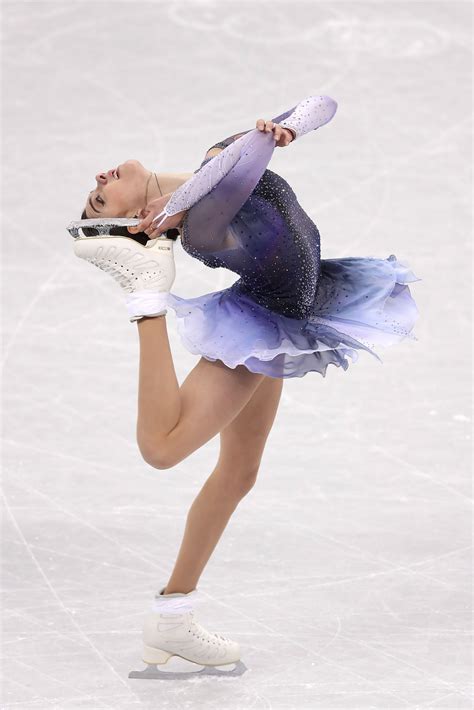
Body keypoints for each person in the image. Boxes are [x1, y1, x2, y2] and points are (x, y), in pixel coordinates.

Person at [72, 95, 421, 676]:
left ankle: (172, 619)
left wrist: (284, 129)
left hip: (291, 313)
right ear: (135, 223)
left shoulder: (217, 160)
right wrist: (259, 141)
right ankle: (147, 299)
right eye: (99, 198)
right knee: (163, 448)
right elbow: (227, 178)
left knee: (239, 473)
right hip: (259, 322)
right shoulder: (206, 228)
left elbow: (320, 104)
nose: (99, 179)